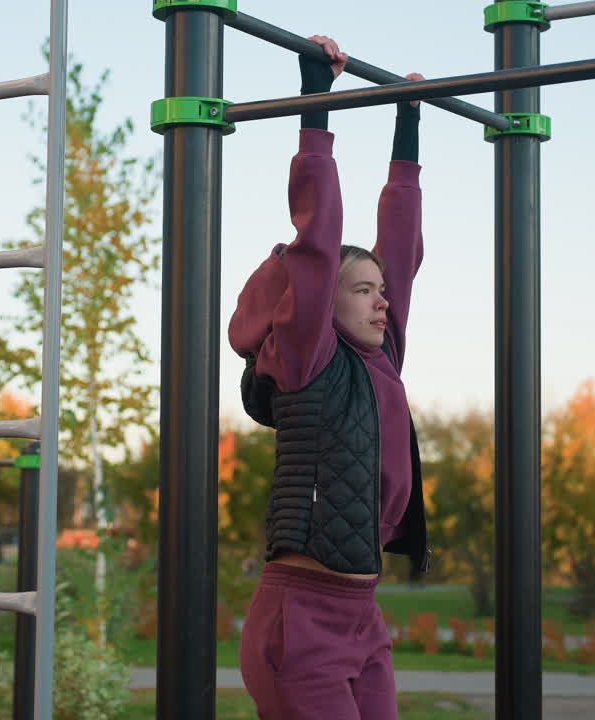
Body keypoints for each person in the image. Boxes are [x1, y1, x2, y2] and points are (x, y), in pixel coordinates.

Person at [228, 35, 432, 720]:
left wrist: (408, 120)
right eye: (363, 291)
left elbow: (400, 245)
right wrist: (319, 106)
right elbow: (317, 242)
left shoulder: (384, 360)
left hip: (363, 617)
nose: (383, 301)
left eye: (383, 292)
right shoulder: (308, 358)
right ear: (323, 305)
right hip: (302, 618)